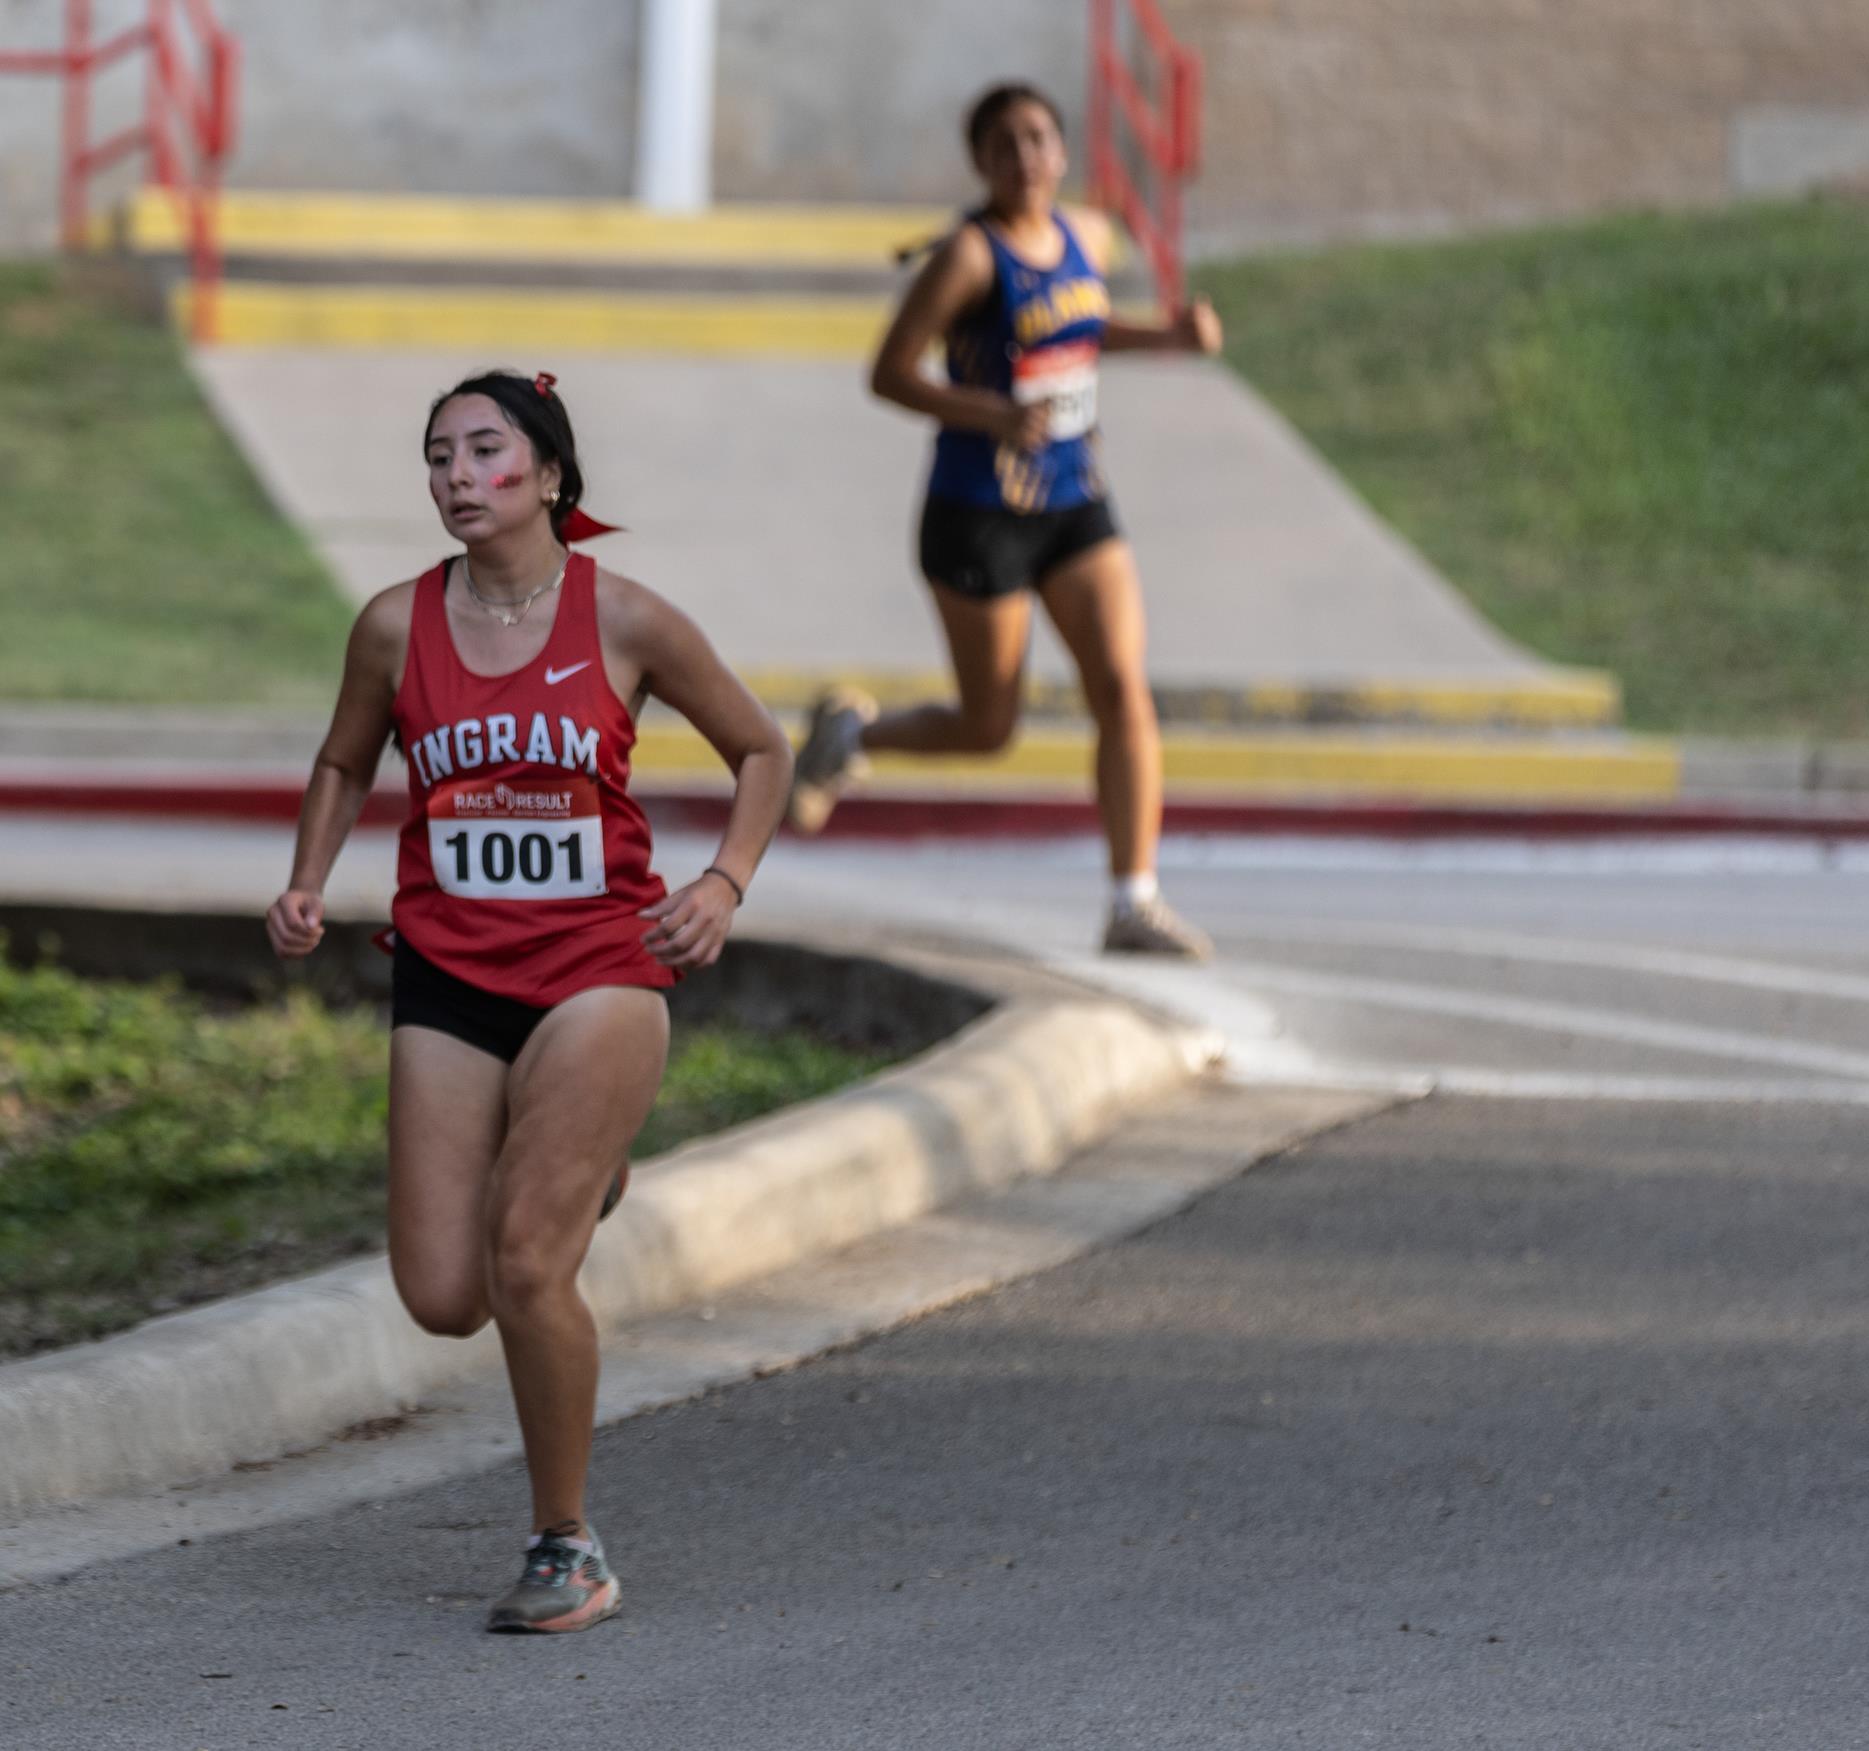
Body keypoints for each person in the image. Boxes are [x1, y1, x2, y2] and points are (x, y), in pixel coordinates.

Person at [266, 369, 791, 1634]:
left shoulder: (629, 620)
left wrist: (722, 882)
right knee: (443, 1292)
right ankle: (579, 1158)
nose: (454, 474)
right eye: (436, 455)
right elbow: (345, 756)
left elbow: (763, 750)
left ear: (548, 473)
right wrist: (304, 879)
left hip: (599, 965)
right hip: (448, 972)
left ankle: (567, 1544)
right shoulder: (395, 626)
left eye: (483, 450)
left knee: (524, 1262)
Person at [787, 80, 1222, 959]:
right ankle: (849, 732)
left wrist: (1169, 337)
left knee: (1123, 690)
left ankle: (1132, 900)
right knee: (989, 728)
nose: (1025, 158)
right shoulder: (969, 259)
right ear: (981, 164)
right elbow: (889, 372)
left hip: (1074, 497)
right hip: (977, 515)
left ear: (1061, 153)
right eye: (1004, 145)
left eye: (1038, 139)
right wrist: (989, 414)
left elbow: (1086, 330)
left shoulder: (1089, 233)